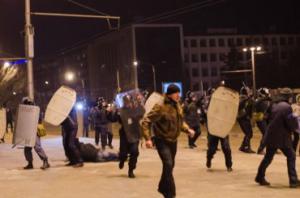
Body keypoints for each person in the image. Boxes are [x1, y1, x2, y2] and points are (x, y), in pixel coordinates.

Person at [142, 84, 195, 198]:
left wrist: (187, 129)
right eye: (176, 93)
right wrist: (148, 139)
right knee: (168, 163)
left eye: (179, 93)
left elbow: (180, 122)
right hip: (162, 140)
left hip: (173, 141)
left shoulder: (177, 105)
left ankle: (166, 191)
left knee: (170, 167)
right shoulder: (161, 106)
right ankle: (168, 192)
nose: (178, 95)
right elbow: (146, 121)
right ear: (170, 94)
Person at [255, 88, 300, 188]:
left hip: (271, 135)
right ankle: (293, 180)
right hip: (282, 137)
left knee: (268, 157)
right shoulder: (287, 107)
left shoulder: (273, 105)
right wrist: (295, 119)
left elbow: (265, 117)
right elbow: (290, 123)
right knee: (291, 156)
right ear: (288, 97)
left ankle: (259, 176)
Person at [112, 94, 145, 178]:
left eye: (129, 101)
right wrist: (110, 112)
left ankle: (131, 170)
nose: (128, 103)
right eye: (126, 101)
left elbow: (142, 113)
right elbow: (112, 119)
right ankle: (122, 160)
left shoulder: (135, 109)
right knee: (123, 153)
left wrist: (140, 102)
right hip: (124, 135)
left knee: (135, 152)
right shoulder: (120, 111)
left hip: (134, 134)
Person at [22, 98, 50, 170]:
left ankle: (45, 161)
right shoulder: (24, 111)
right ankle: (30, 163)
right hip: (28, 131)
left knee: (37, 147)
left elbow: (39, 120)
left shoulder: (36, 110)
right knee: (27, 148)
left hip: (35, 131)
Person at [237, 86, 255, 153]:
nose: (249, 91)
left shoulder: (247, 98)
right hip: (242, 118)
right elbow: (239, 105)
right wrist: (247, 98)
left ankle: (242, 147)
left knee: (249, 133)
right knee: (248, 133)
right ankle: (247, 147)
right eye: (248, 90)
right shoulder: (241, 97)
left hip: (245, 117)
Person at [254, 88, 272, 154]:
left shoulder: (267, 101)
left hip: (266, 119)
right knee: (265, 134)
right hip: (260, 119)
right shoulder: (258, 99)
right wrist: (265, 98)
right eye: (266, 94)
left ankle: (270, 149)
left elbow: (269, 110)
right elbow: (255, 104)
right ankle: (260, 149)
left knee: (269, 134)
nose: (267, 95)